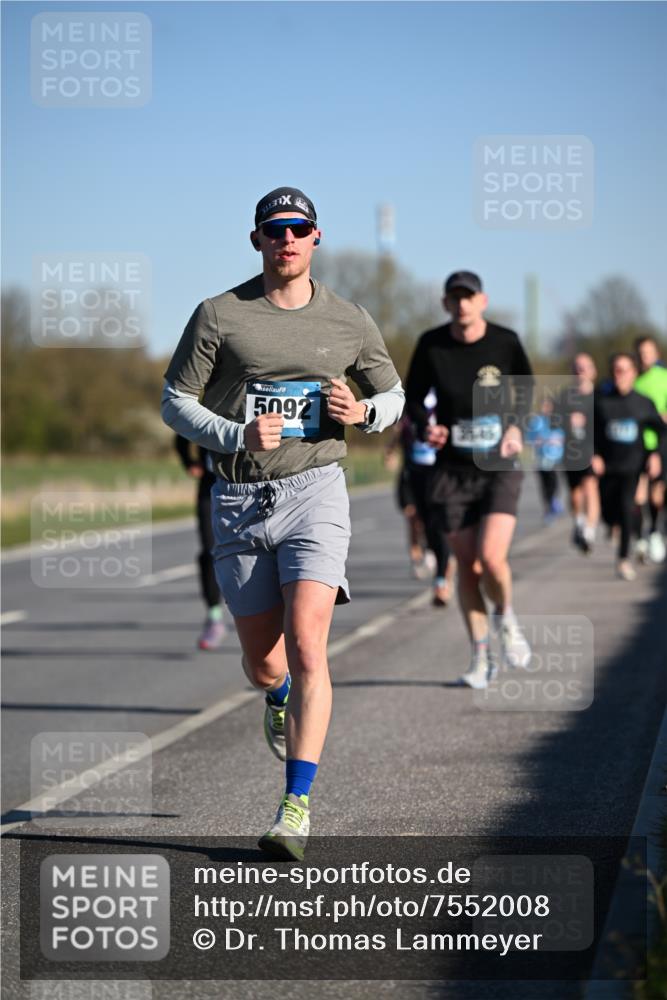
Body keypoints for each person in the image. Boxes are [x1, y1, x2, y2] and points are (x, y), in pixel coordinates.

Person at [161, 187, 403, 860]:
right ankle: (277, 695)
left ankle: (295, 806)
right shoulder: (219, 315)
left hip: (315, 491)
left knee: (306, 642)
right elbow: (174, 401)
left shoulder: (349, 320)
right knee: (263, 661)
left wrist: (364, 416)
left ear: (316, 238)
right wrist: (236, 433)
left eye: (298, 228)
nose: (286, 239)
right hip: (238, 498)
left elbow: (393, 393)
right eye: (274, 229)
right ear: (257, 240)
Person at [405, 270, 534, 690]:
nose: (462, 304)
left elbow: (525, 389)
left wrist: (515, 427)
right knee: (468, 566)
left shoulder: (506, 341)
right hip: (451, 469)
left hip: (498, 465)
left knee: (492, 559)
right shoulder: (431, 344)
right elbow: (413, 399)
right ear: (446, 304)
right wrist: (428, 427)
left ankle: (507, 617)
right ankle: (481, 657)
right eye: (454, 298)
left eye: (469, 297)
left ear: (483, 301)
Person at [592, 353, 664, 581]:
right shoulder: (601, 401)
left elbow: (661, 431)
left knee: (626, 509)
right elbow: (589, 433)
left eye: (624, 370)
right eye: (615, 370)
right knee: (608, 513)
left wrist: (654, 456)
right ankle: (615, 526)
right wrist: (594, 455)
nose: (619, 375)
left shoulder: (643, 402)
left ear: (633, 373)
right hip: (607, 467)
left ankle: (623, 559)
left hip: (632, 466)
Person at [385, 391, 455, 605]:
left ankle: (442, 581)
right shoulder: (412, 405)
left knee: (441, 526)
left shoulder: (448, 401)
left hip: (439, 474)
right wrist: (391, 452)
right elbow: (399, 431)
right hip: (413, 474)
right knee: (414, 517)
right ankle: (420, 555)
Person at [173, 435, 227, 650]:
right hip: (210, 486)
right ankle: (214, 618)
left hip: (250, 484)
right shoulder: (206, 401)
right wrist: (189, 461)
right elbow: (181, 431)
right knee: (209, 552)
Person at [556, 353, 600, 554]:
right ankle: (579, 522)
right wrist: (567, 420)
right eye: (577, 367)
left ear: (593, 371)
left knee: (590, 487)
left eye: (585, 367)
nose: (580, 371)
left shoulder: (599, 396)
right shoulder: (565, 396)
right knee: (575, 494)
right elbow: (552, 422)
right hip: (571, 451)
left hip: (592, 451)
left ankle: (589, 532)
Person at [633, 336, 667, 564]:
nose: (644, 357)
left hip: (661, 441)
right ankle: (641, 538)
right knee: (638, 495)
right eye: (641, 353)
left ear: (656, 355)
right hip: (637, 444)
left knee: (657, 495)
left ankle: (654, 530)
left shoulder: (663, 378)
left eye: (648, 352)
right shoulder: (632, 380)